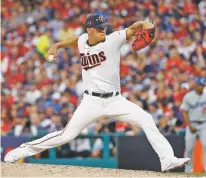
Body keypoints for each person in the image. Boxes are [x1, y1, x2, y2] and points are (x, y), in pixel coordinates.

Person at [4, 14, 190, 172]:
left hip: (115, 101)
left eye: (104, 27)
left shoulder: (113, 39)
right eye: (100, 28)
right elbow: (74, 41)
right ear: (90, 29)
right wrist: (57, 46)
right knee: (66, 136)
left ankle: (167, 160)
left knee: (146, 119)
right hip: (91, 102)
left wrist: (147, 26)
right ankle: (20, 151)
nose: (104, 30)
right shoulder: (83, 40)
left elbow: (135, 28)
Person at [180, 77, 206, 172]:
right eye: (200, 85)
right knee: (189, 148)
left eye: (203, 86)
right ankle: (188, 170)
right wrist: (190, 125)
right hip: (192, 123)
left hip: (204, 123)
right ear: (196, 85)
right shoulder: (188, 97)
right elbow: (184, 112)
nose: (202, 87)